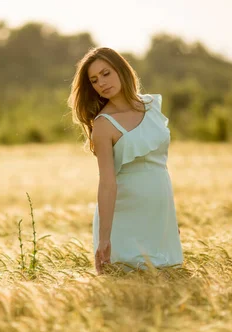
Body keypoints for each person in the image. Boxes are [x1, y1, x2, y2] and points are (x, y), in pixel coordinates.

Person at [68, 47, 183, 275]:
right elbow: (107, 182)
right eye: (94, 80)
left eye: (106, 73)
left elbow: (160, 167)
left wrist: (171, 219)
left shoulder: (151, 106)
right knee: (128, 294)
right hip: (125, 217)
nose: (101, 82)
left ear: (121, 70)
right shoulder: (103, 125)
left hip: (159, 214)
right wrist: (104, 240)